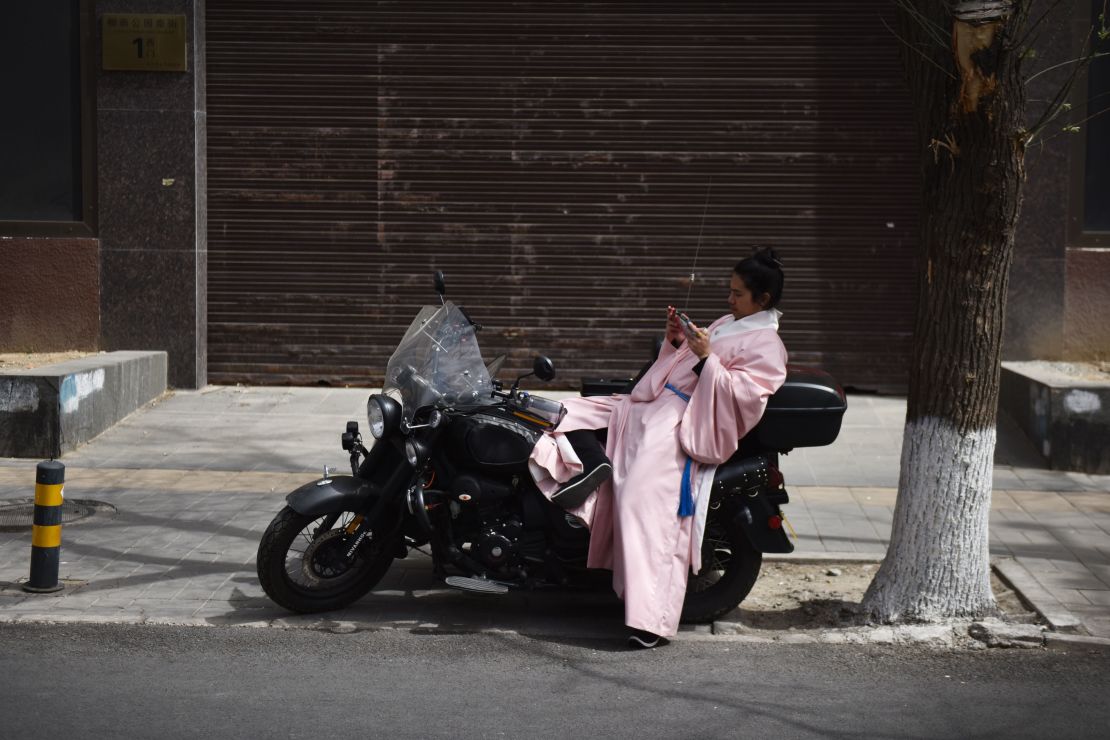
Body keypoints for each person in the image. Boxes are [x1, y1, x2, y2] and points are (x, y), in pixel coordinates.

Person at [528, 247, 788, 648]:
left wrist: (706, 360)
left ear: (763, 300)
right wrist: (677, 340)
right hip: (653, 405)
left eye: (737, 294)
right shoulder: (729, 322)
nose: (728, 299)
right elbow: (683, 362)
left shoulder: (769, 347)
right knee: (566, 411)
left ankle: (650, 621)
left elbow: (747, 398)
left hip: (681, 421)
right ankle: (598, 467)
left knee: (641, 500)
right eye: (729, 290)